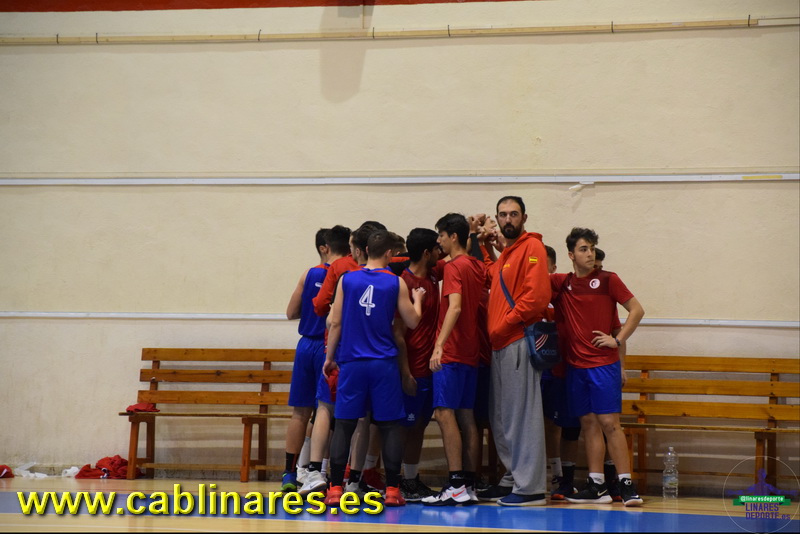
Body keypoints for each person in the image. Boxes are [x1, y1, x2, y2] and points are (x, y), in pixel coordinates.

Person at [322, 230, 426, 508]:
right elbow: (412, 322)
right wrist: (418, 299)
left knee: (344, 424)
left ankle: (335, 489)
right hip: (383, 365)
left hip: (352, 363)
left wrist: (330, 358)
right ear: (390, 253)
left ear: (366, 250)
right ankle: (392, 490)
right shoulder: (395, 282)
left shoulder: (346, 280)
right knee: (390, 426)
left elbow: (335, 323)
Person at [551, 227, 645, 507]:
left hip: (603, 365)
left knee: (609, 424)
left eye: (592, 248)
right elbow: (528, 276)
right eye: (584, 249)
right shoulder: (562, 283)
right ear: (571, 255)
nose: (590, 253)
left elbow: (637, 310)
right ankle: (597, 485)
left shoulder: (608, 279)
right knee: (588, 423)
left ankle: (627, 484)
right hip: (575, 368)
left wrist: (617, 340)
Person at [475, 196, 552, 506]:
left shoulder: (532, 247)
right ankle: (512, 476)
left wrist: (504, 324)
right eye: (503, 215)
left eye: (514, 214)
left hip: (517, 338)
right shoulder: (508, 252)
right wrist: (484, 246)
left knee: (522, 416)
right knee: (502, 416)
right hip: (501, 343)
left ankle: (531, 487)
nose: (508, 219)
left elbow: (536, 297)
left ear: (524, 218)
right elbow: (493, 275)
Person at [421, 214, 487, 507]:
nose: (439, 241)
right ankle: (468, 484)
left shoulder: (453, 267)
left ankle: (456, 484)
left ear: (453, 237)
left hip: (452, 351)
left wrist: (439, 345)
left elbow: (455, 307)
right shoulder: (476, 265)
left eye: (441, 236)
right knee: (466, 417)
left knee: (443, 413)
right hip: (471, 352)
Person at [281, 228, 334, 491]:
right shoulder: (344, 275)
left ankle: (290, 474)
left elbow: (290, 312)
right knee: (326, 411)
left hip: (305, 346)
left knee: (300, 413)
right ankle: (318, 471)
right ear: (325, 247)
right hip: (327, 347)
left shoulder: (308, 273)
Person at [395, 228, 442, 502]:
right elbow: (398, 335)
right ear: (426, 253)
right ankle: (397, 481)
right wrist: (405, 373)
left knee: (419, 426)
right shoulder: (404, 283)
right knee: (405, 427)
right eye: (436, 248)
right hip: (412, 369)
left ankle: (411, 480)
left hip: (430, 368)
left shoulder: (434, 275)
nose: (440, 252)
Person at [540, 244, 583, 501]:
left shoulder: (561, 293)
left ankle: (562, 477)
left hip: (562, 368)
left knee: (562, 424)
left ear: (554, 268)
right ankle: (549, 474)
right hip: (538, 369)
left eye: (542, 265)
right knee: (544, 423)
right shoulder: (528, 295)